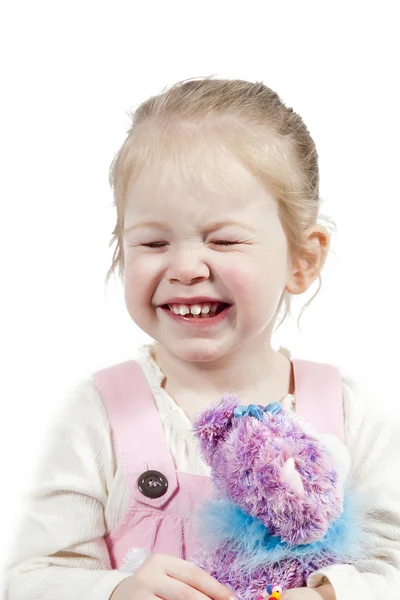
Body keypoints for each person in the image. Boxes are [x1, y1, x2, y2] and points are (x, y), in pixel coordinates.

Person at [4, 78, 400, 600]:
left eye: (225, 239)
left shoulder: (348, 414)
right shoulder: (100, 414)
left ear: (303, 259)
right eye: (153, 241)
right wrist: (116, 592)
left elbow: (390, 566)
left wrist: (330, 594)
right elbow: (28, 580)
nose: (186, 267)